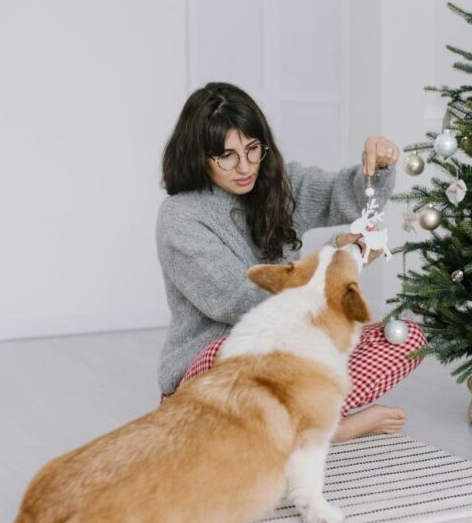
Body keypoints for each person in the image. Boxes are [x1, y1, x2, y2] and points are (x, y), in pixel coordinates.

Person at [156, 82, 427, 442]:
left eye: (253, 149)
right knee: (245, 350)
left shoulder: (278, 184)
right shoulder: (180, 216)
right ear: (199, 156)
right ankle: (328, 428)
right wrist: (337, 259)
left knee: (406, 338)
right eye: (227, 156)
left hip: (292, 354)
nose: (245, 166)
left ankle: (294, 427)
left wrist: (376, 168)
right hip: (216, 369)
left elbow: (343, 197)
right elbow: (237, 302)